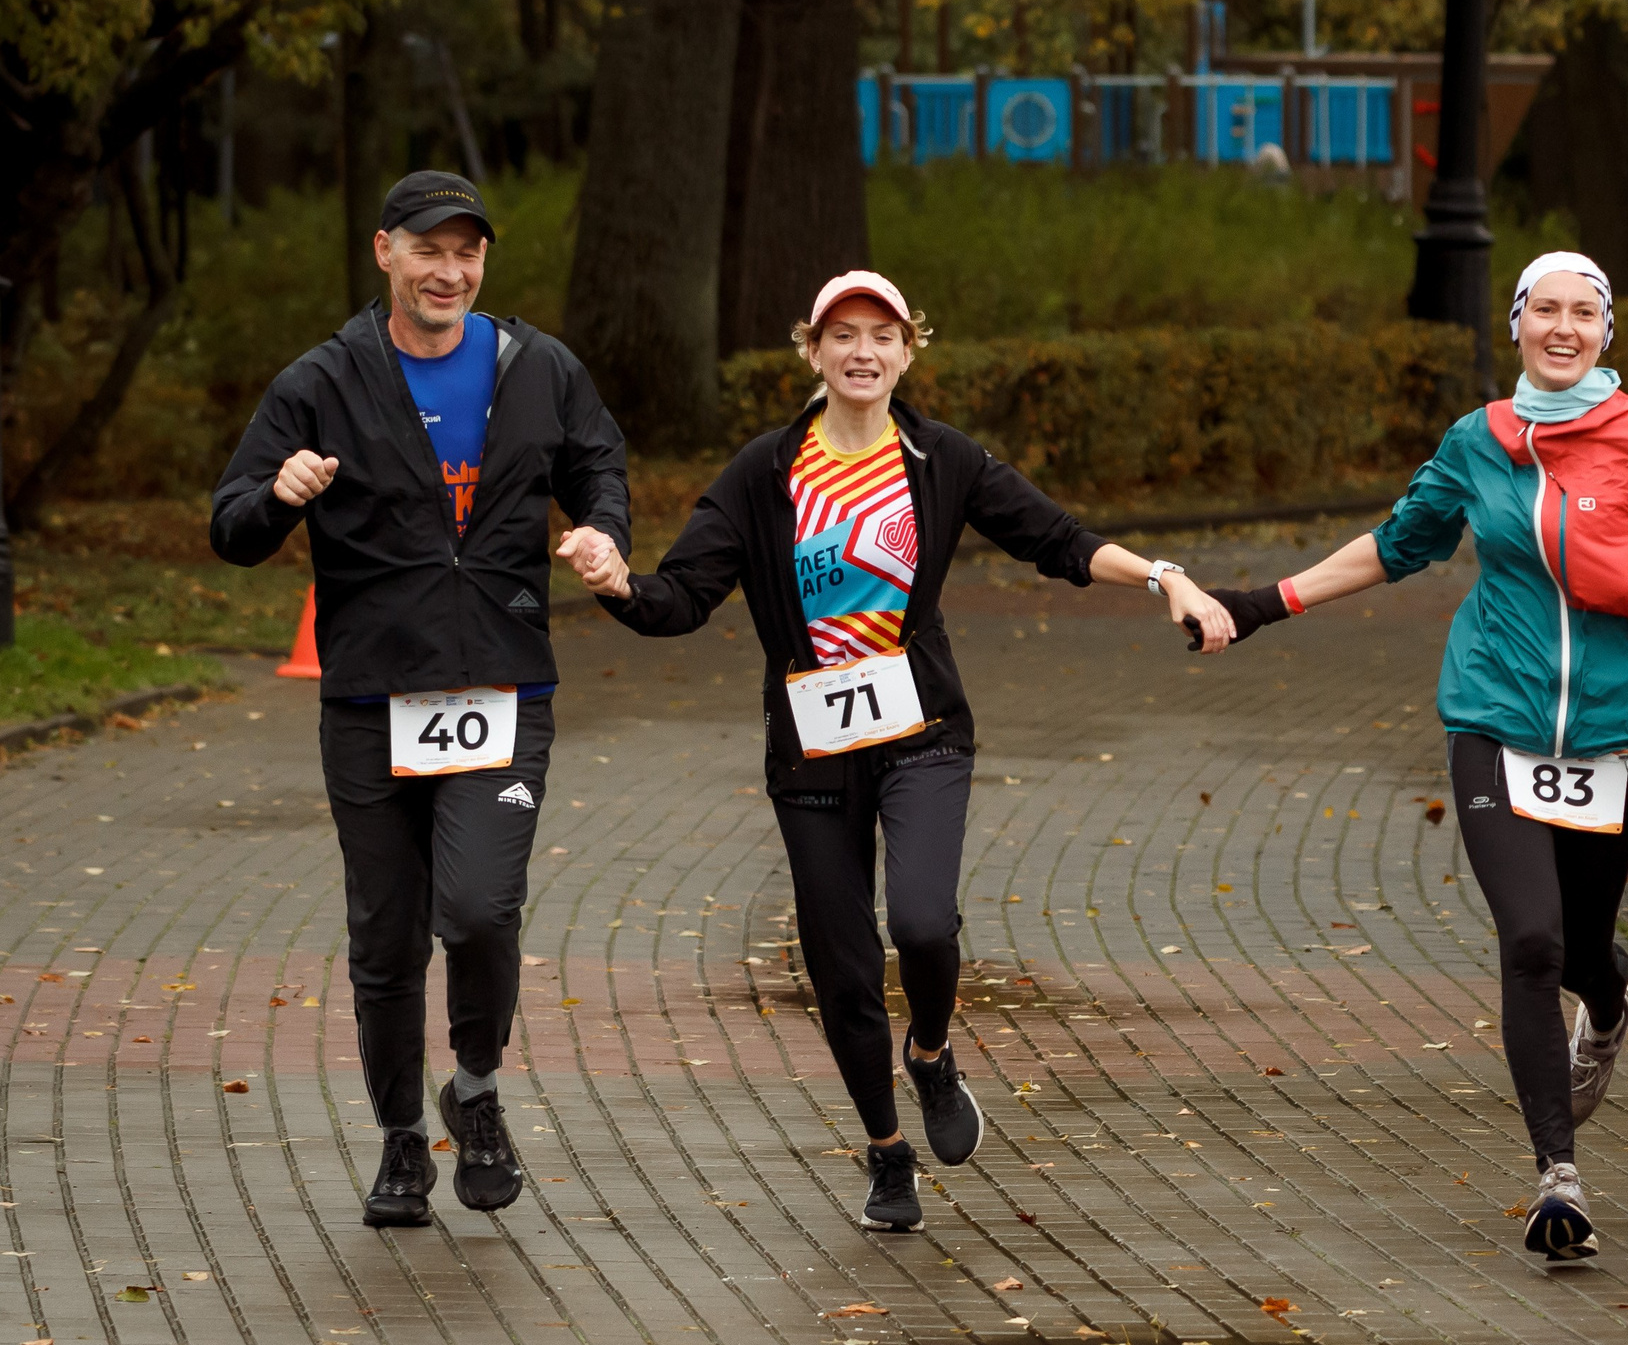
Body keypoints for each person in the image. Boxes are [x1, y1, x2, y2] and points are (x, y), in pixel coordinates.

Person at [561, 270, 1237, 1234]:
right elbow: (681, 599)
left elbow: (1054, 537)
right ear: (813, 351)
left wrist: (1164, 576)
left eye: (883, 334)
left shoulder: (937, 458)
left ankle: (929, 1049)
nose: (863, 351)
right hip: (814, 750)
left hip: (922, 731)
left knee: (921, 923)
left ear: (909, 351)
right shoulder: (763, 473)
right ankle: (886, 1152)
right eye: (843, 335)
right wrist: (616, 581)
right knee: (839, 964)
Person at [1196, 252, 1628, 1262]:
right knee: (1530, 942)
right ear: (1516, 325)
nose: (1563, 328)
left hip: (1609, 728)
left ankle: (1608, 1006)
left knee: (1587, 948)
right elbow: (1399, 542)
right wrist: (1261, 605)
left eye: (1583, 314)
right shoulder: (1479, 441)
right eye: (1544, 311)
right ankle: (1557, 1177)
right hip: (1490, 715)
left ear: (1607, 333)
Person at [211, 169, 630, 1228]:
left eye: (468, 252)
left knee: (482, 910)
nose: (450, 271)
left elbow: (597, 464)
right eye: (429, 250)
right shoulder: (323, 380)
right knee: (386, 936)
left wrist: (601, 530)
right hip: (371, 694)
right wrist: (279, 496)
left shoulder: (536, 366)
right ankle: (403, 1139)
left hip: (501, 681)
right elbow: (231, 525)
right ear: (384, 253)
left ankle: (475, 1085)